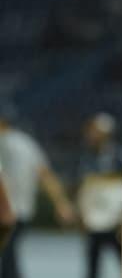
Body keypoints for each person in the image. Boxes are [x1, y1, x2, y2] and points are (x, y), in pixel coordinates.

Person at [0, 111, 77, 278]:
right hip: (19, 211)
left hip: (11, 211)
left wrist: (61, 203)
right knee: (8, 257)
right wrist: (61, 203)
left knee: (7, 258)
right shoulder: (26, 143)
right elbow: (46, 175)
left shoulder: (21, 144)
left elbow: (45, 175)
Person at [77, 113, 122, 278]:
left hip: (115, 222)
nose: (91, 134)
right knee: (92, 267)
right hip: (94, 222)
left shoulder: (120, 157)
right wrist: (83, 214)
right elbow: (86, 190)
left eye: (95, 131)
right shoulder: (85, 157)